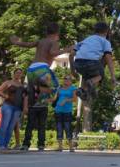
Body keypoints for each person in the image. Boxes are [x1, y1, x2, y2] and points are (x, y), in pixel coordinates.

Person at [10, 23, 73, 151]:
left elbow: (27, 44)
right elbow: (53, 52)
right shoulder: (54, 41)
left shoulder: (41, 40)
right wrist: (67, 49)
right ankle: (42, 94)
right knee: (56, 86)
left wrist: (17, 42)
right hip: (42, 69)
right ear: (57, 34)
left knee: (35, 93)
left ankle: (35, 93)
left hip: (31, 70)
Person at [69, 22, 116, 100]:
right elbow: (108, 58)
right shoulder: (105, 42)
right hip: (92, 63)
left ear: (94, 31)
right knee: (100, 75)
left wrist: (72, 71)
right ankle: (91, 82)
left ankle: (82, 90)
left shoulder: (86, 40)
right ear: (106, 32)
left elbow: (71, 55)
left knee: (87, 75)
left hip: (78, 64)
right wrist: (113, 76)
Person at [0, 68, 27, 151]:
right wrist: (6, 96)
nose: (18, 74)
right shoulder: (8, 83)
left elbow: (24, 97)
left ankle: (5, 145)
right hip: (8, 106)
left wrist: (25, 108)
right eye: (17, 73)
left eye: (20, 73)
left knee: (11, 127)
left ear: (21, 75)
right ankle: (0, 145)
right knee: (4, 125)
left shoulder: (22, 85)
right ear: (14, 74)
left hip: (18, 108)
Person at [52, 75, 77, 152]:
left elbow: (75, 99)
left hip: (67, 111)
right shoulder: (59, 88)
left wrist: (66, 100)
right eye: (64, 79)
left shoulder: (73, 88)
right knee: (59, 128)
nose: (65, 80)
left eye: (67, 79)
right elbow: (55, 98)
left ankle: (71, 147)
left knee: (68, 128)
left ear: (70, 81)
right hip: (58, 110)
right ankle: (60, 147)